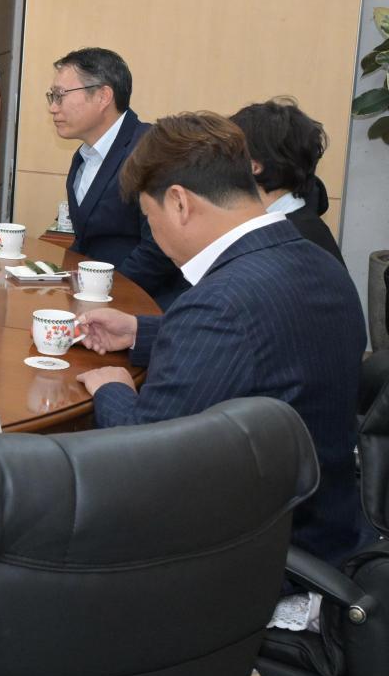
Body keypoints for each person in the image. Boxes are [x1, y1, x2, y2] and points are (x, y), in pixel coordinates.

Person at [74, 112, 366, 566]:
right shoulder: (315, 257)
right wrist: (140, 331)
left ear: (179, 203)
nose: (154, 233)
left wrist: (111, 387)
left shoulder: (219, 303)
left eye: (149, 218)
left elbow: (143, 461)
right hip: (329, 523)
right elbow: (263, 343)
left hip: (255, 550)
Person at [47, 47, 186, 307]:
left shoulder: (152, 149)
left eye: (60, 96)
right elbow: (88, 240)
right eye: (51, 97)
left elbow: (159, 249)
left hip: (143, 306)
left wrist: (108, 295)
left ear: (103, 96)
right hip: (96, 299)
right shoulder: (82, 157)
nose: (53, 108)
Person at [229, 97, 342, 261]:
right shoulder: (300, 225)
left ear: (254, 166)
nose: (221, 164)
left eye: (228, 154)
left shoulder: (283, 241)